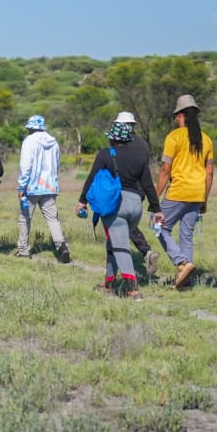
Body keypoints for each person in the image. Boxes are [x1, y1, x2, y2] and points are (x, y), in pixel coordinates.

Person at [78, 121, 165, 300]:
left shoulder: (105, 154)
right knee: (113, 245)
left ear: (112, 138)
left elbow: (92, 179)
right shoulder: (140, 157)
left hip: (116, 205)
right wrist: (157, 209)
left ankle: (133, 290)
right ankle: (108, 285)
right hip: (135, 206)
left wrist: (82, 201)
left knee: (120, 246)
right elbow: (148, 185)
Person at [155, 95, 214, 289]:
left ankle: (182, 263)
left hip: (179, 191)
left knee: (159, 227)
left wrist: (155, 198)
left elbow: (165, 170)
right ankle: (184, 279)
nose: (174, 120)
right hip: (197, 193)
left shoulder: (174, 137)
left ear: (180, 115)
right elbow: (209, 172)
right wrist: (204, 199)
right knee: (186, 236)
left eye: (175, 116)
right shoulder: (206, 139)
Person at [15, 115, 70, 262]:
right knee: (53, 219)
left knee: (24, 218)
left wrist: (21, 186)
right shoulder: (54, 142)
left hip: (32, 187)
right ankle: (62, 247)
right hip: (50, 186)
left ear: (31, 128)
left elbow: (25, 166)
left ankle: (24, 250)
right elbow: (56, 165)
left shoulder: (29, 141)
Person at [114, 111, 161, 276]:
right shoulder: (143, 144)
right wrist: (155, 206)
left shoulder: (119, 143)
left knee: (119, 225)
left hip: (123, 188)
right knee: (127, 224)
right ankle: (144, 253)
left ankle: (138, 256)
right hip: (140, 189)